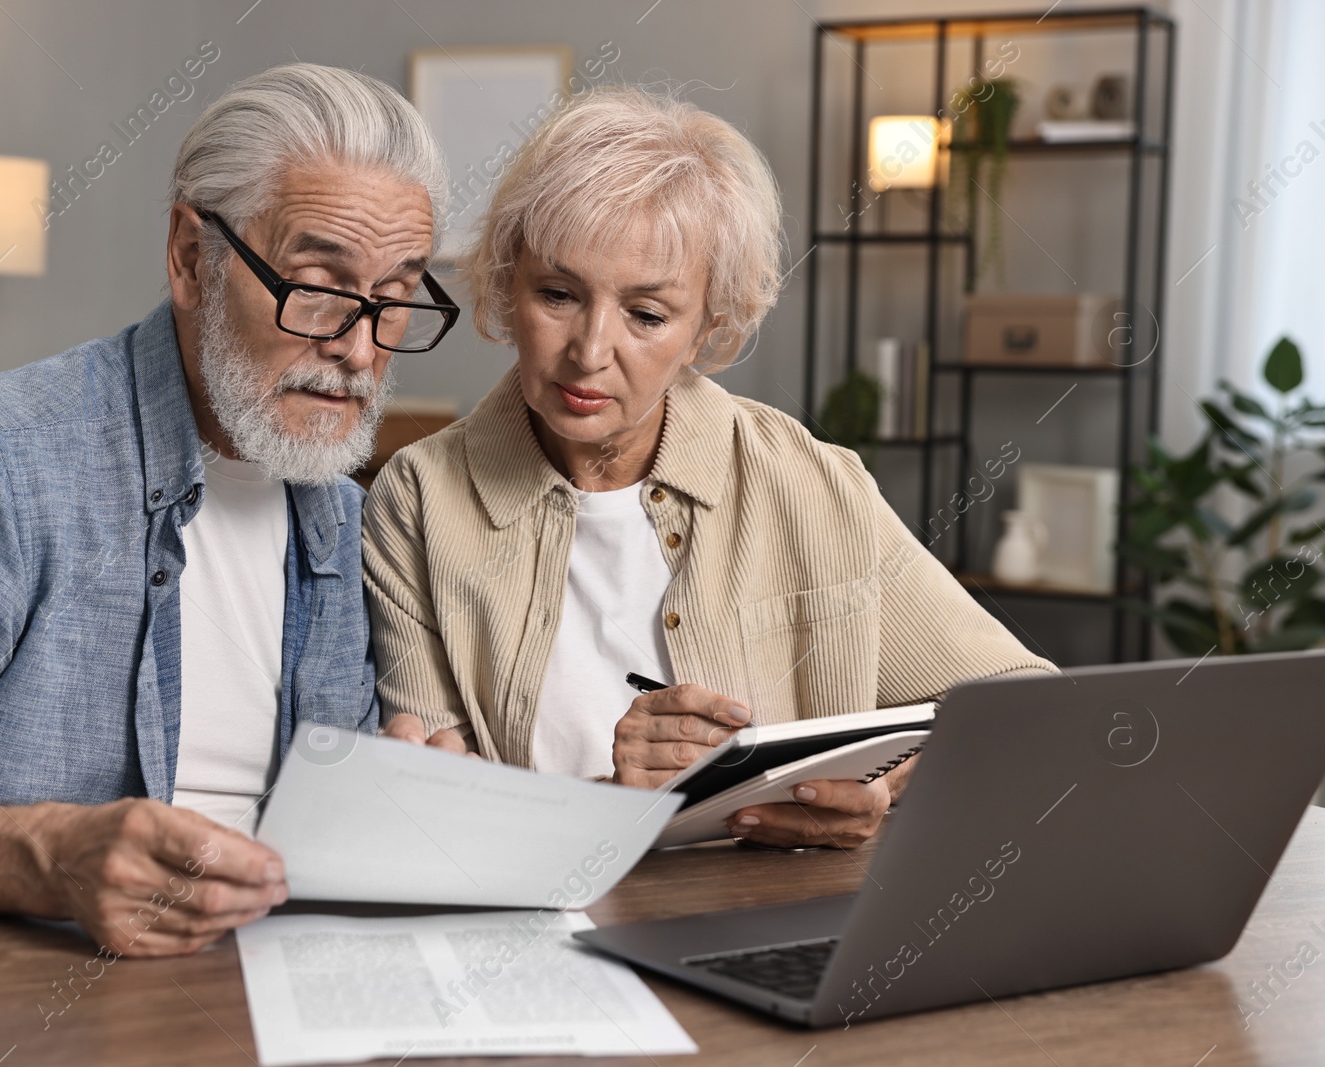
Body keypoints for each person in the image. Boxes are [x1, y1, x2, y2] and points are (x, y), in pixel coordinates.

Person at [0, 63, 459, 955]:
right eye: (316, 286)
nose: (357, 348)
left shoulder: (350, 518)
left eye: (393, 299)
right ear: (192, 258)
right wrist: (44, 858)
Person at [370, 86, 1057, 850]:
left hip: (776, 922)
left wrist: (883, 786)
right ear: (507, 285)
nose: (591, 352)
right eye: (558, 294)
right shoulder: (418, 498)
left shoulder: (812, 483)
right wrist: (617, 802)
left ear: (706, 327)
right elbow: (431, 809)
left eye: (647, 314)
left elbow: (1026, 709)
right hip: (532, 935)